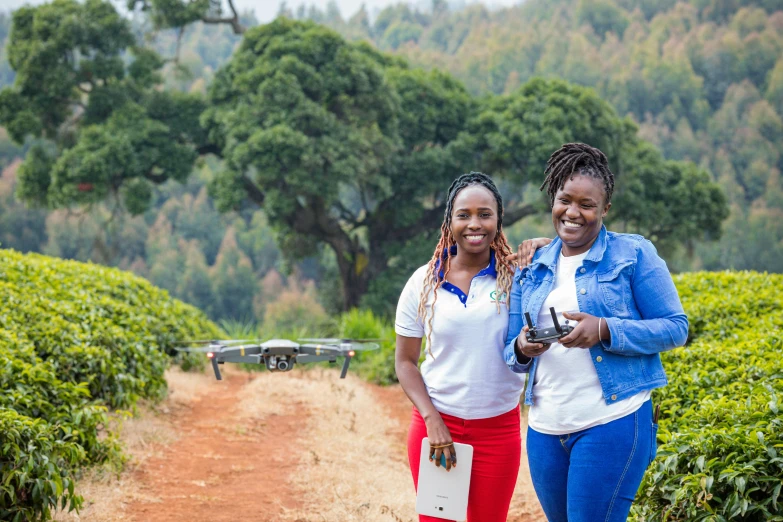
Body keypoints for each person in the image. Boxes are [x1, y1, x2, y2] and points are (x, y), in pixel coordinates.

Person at [503, 143, 689, 521]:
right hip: (545, 429)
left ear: (605, 209)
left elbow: (675, 328)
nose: (572, 212)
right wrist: (524, 346)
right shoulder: (532, 266)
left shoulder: (633, 254)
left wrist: (604, 329)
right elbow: (511, 349)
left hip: (612, 421)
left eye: (586, 205)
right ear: (552, 201)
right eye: (564, 200)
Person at [395, 171, 548, 522]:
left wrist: (543, 244)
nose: (474, 224)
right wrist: (433, 421)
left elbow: (567, 259)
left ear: (498, 220)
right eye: (464, 215)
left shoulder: (517, 278)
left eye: (485, 214)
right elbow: (405, 362)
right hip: (436, 427)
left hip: (498, 432)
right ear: (450, 221)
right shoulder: (423, 281)